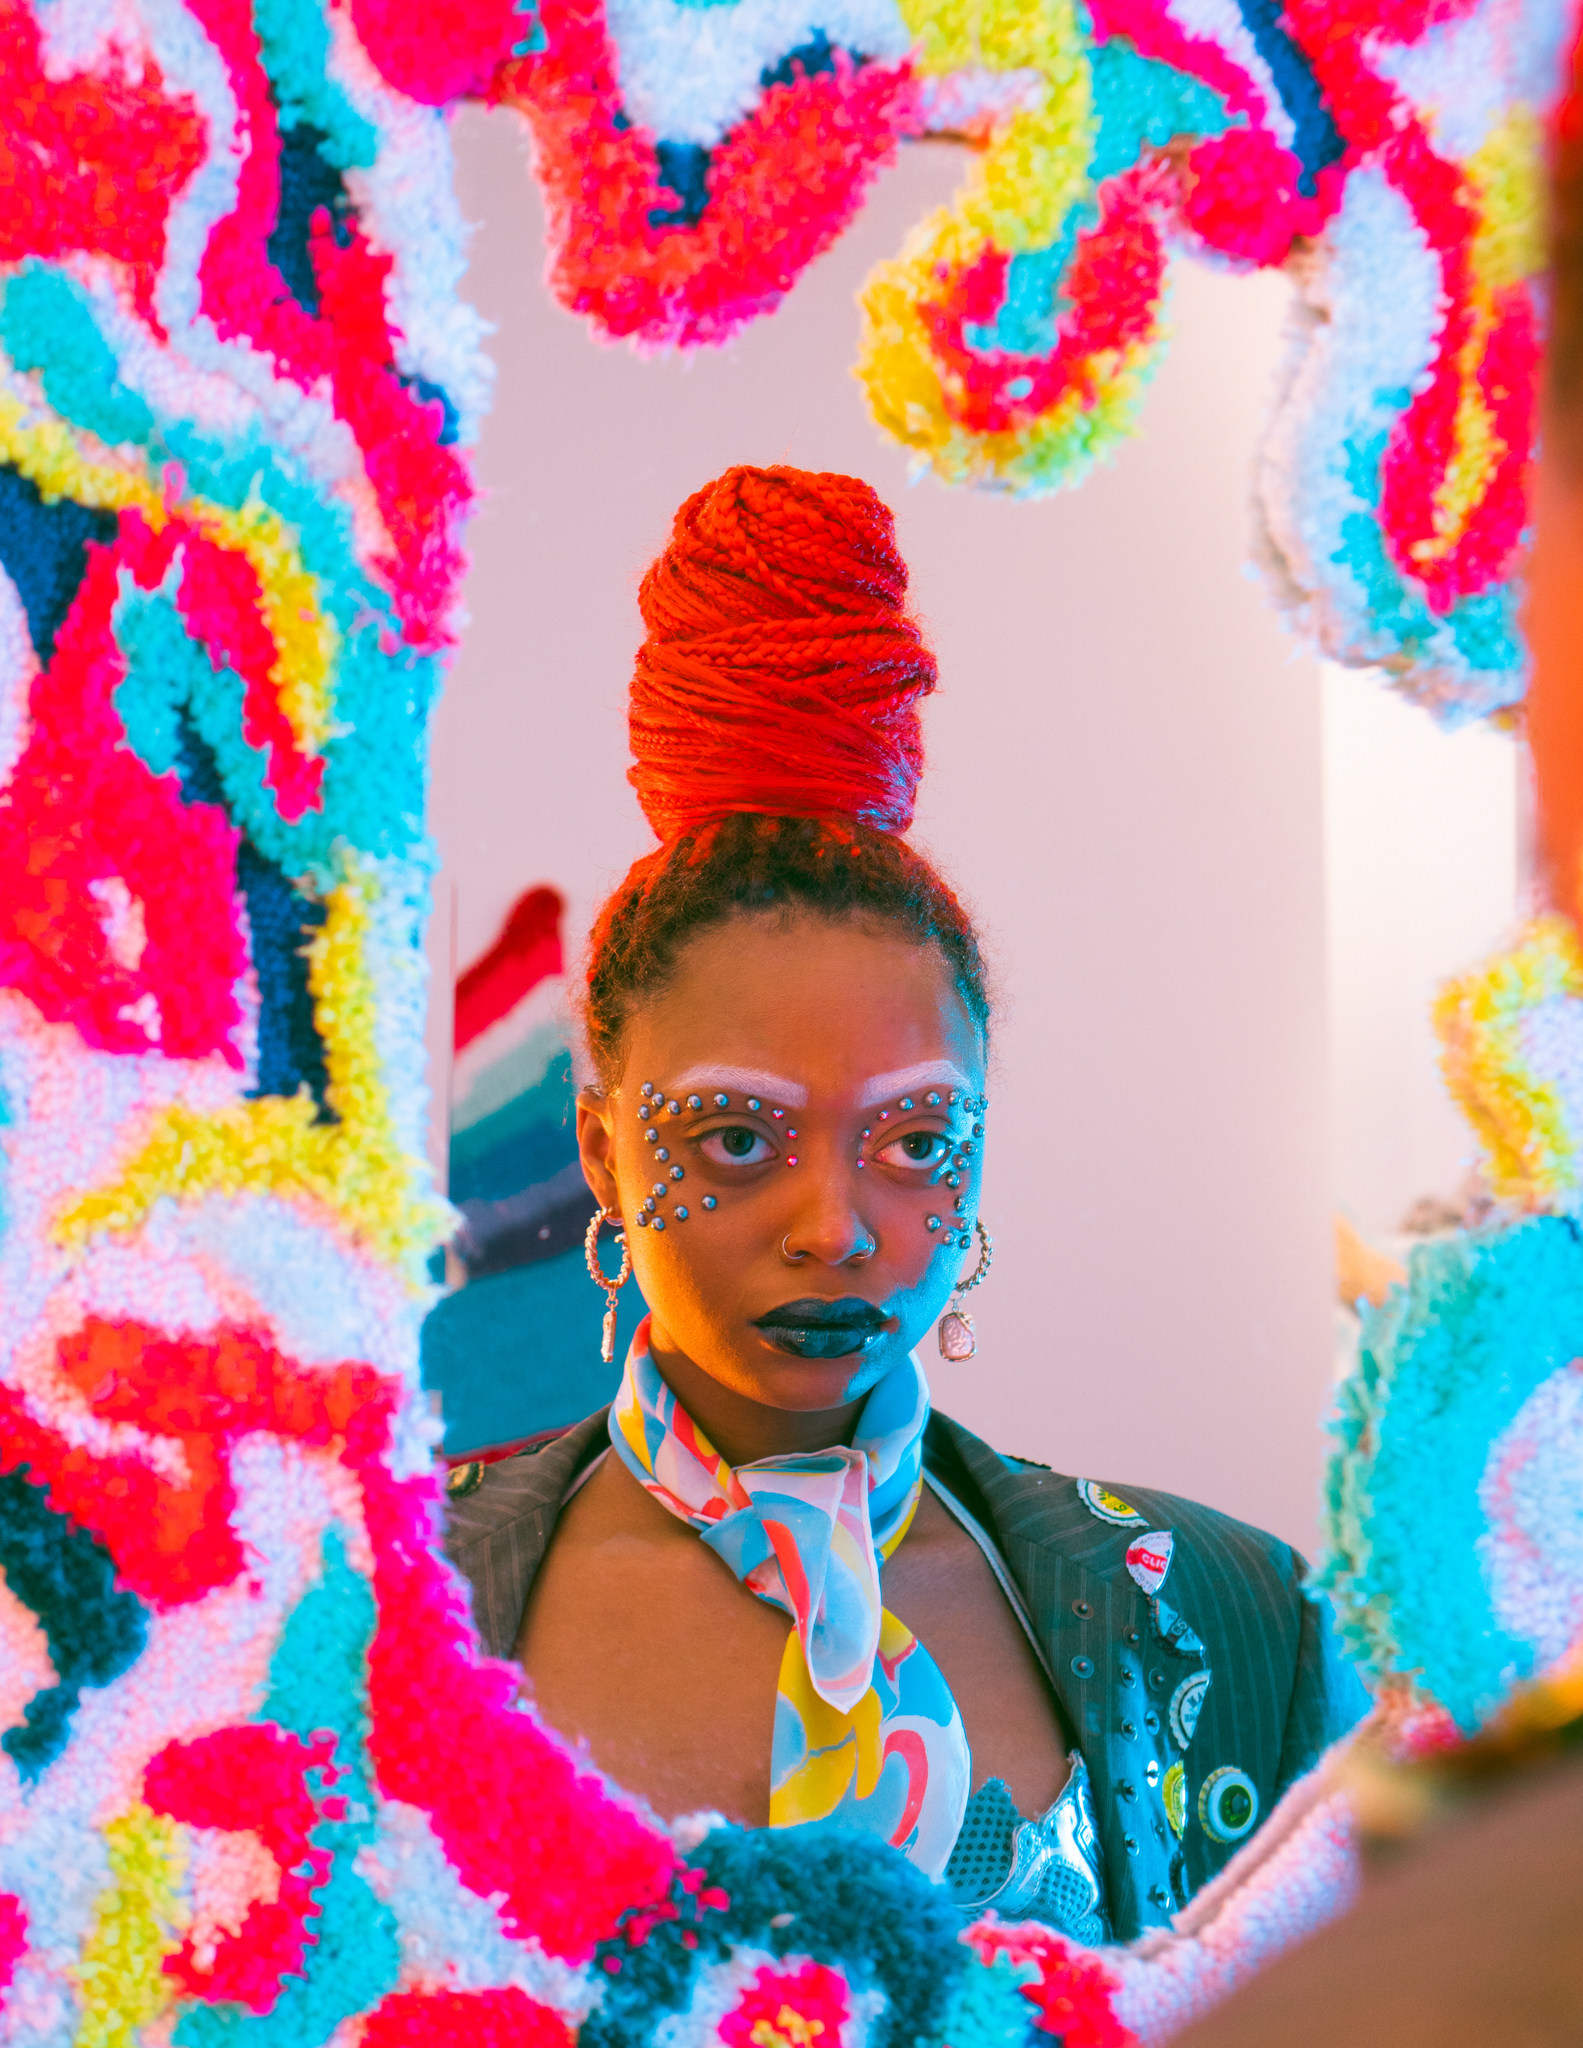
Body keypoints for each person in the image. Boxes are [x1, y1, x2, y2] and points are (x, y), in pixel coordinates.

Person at [443, 464, 1367, 1943]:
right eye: (736, 1139)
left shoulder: (1237, 1616)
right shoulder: (391, 1610)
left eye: (915, 1139)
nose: (835, 1226)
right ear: (603, 1152)